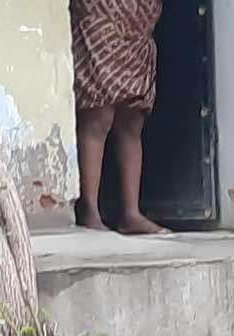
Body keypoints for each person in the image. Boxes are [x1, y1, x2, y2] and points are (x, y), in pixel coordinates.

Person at [70, 0, 169, 235]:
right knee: (98, 112)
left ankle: (131, 213)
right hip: (99, 12)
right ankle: (89, 210)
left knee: (133, 118)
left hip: (139, 18)